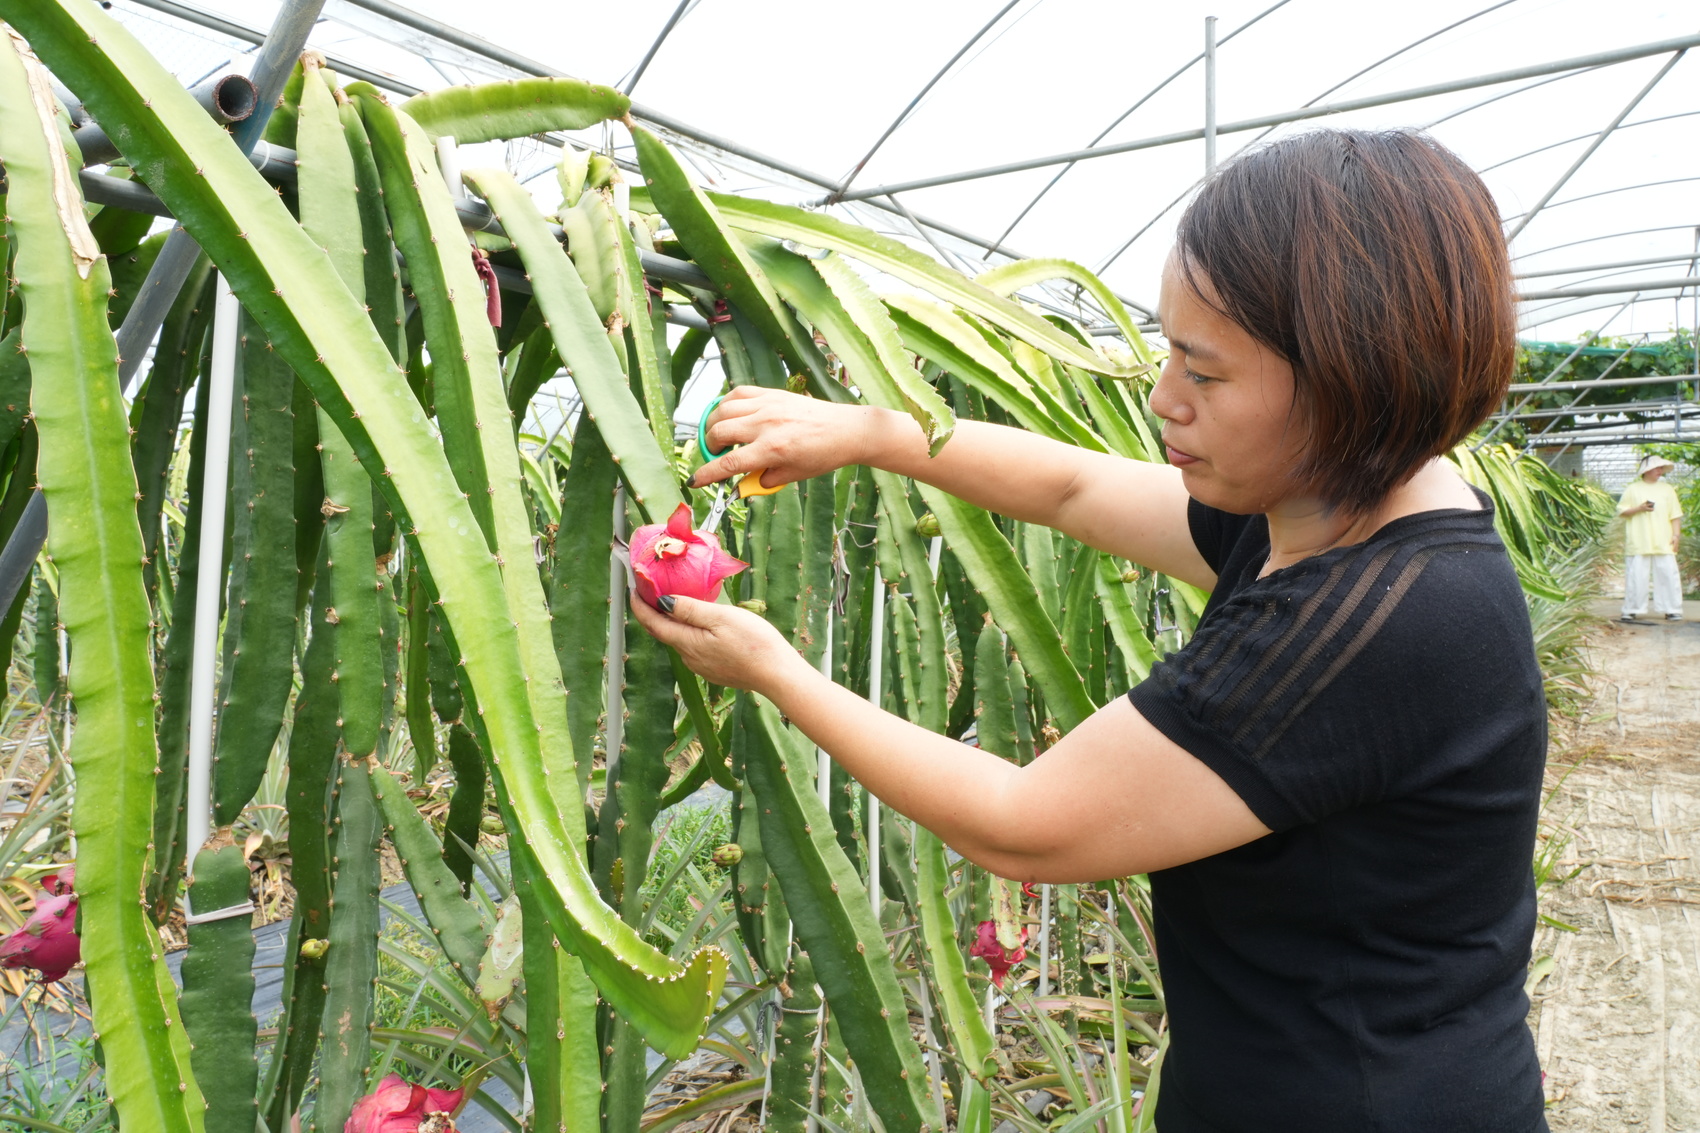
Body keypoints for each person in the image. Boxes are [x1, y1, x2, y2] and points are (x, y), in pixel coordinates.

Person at [635, 130, 1547, 1132]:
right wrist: (872, 432)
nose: (1163, 399)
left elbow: (1020, 821)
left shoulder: (1369, 623)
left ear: (1347, 379)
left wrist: (774, 670)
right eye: (1169, 353)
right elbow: (1071, 487)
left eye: (1204, 373)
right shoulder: (1344, 507)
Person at [1618, 454, 1684, 623]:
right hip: (1639, 539)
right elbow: (1622, 511)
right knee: (1636, 576)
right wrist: (1639, 508)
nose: (1659, 471)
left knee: (1668, 575)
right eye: (1656, 468)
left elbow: (1675, 515)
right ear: (1646, 470)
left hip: (1664, 540)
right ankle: (1631, 609)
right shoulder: (1633, 489)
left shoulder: (1667, 489)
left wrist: (1676, 535)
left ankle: (1672, 609)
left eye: (1661, 468)